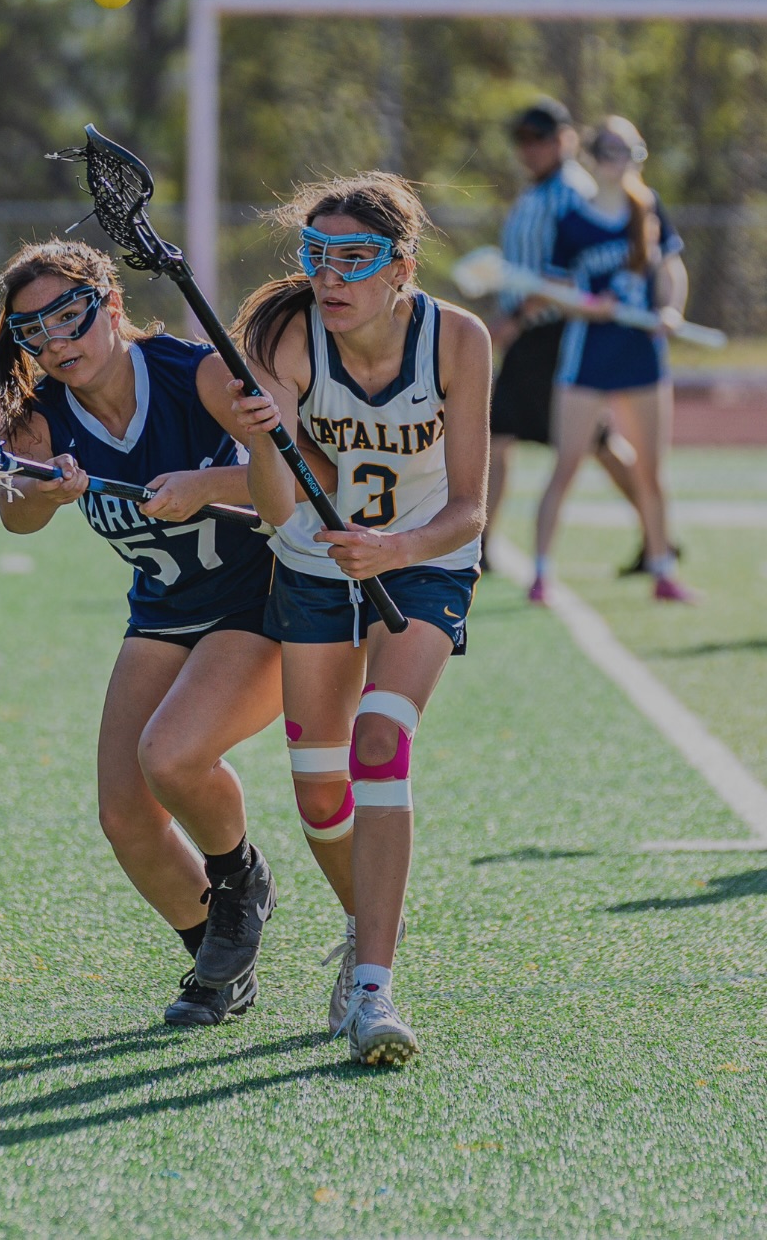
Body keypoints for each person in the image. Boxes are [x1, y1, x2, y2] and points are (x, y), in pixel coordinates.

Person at [0, 238, 282, 1027]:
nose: (54, 342)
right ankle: (219, 962)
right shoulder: (40, 419)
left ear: (109, 303)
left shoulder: (194, 371)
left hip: (263, 599)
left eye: (68, 317)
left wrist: (207, 482)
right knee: (127, 818)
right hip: (166, 611)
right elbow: (17, 517)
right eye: (32, 332)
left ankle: (241, 881)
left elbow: (305, 473)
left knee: (171, 755)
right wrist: (46, 494)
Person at [230, 173, 491, 1066]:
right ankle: (366, 916)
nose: (330, 276)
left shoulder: (457, 339)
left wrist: (397, 551)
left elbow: (469, 512)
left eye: (354, 259)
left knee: (381, 737)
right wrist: (265, 438)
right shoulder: (284, 334)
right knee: (315, 789)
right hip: (311, 565)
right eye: (316, 255)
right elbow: (273, 508)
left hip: (421, 563)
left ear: (401, 267)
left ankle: (374, 988)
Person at [529, 117, 697, 605]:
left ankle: (662, 567)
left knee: (651, 470)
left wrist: (670, 309)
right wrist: (585, 305)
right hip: (588, 358)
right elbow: (557, 290)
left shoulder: (646, 207)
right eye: (607, 149)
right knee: (567, 464)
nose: (616, 159)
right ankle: (541, 571)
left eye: (626, 150)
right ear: (591, 155)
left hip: (643, 356)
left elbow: (670, 269)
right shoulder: (572, 220)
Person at [486, 98, 654, 574]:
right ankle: (481, 544)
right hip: (532, 335)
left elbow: (565, 277)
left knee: (589, 443)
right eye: (522, 139)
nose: (530, 148)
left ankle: (656, 532)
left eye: (539, 137)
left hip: (557, 333)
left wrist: (515, 320)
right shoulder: (536, 192)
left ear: (565, 138)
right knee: (499, 433)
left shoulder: (574, 193)